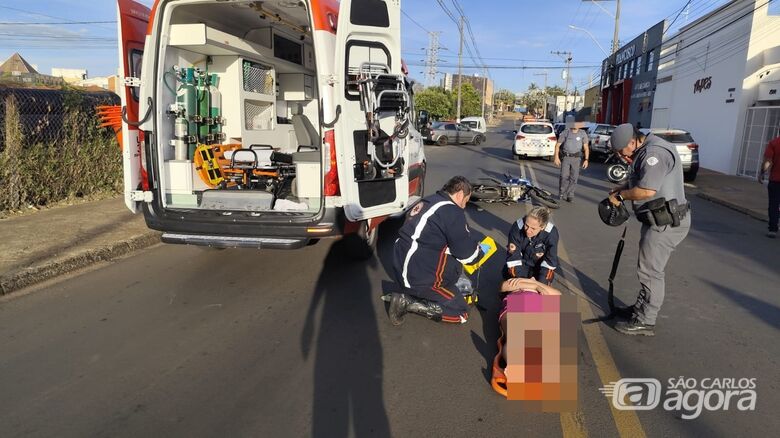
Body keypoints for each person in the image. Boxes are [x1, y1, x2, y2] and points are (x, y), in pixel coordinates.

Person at [607, 123, 691, 336]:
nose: (619, 155)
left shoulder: (654, 153)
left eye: (620, 151)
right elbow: (642, 178)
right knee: (647, 268)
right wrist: (623, 187)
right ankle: (641, 309)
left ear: (631, 142)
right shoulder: (646, 149)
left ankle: (646, 320)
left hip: (666, 223)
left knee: (651, 271)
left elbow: (646, 190)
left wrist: (621, 196)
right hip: (658, 219)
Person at [388, 176, 485, 326]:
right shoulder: (452, 211)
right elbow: (466, 255)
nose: (464, 206)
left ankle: (414, 294)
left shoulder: (428, 201)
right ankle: (408, 303)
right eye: (466, 200)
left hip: (400, 269)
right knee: (462, 313)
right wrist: (479, 252)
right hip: (420, 279)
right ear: (460, 194)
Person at [504, 206, 559, 285]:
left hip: (539, 268)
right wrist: (521, 282)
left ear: (542, 227)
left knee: (544, 293)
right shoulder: (517, 227)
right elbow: (513, 258)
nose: (528, 231)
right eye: (526, 225)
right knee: (507, 287)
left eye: (533, 228)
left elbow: (549, 262)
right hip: (520, 265)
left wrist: (540, 284)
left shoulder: (551, 234)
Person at [554, 115, 590, 202]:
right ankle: (561, 192)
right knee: (564, 176)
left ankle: (570, 194)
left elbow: (586, 148)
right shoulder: (566, 132)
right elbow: (557, 145)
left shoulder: (582, 133)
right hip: (566, 157)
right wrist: (556, 157)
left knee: (574, 178)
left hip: (576, 159)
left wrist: (586, 160)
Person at [758, 134, 780, 238]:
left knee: (774, 205)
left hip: (776, 181)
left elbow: (768, 162)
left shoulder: (774, 143)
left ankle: (773, 229)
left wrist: (762, 173)